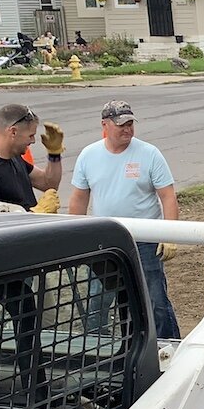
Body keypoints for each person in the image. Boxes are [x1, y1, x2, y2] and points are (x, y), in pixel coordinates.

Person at [66, 101, 181, 339]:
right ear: (105, 125)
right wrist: (73, 237)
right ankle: (100, 347)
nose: (127, 129)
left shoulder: (149, 154)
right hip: (105, 240)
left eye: (130, 124)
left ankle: (167, 343)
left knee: (154, 299)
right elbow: (78, 198)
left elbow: (167, 196)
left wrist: (170, 235)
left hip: (145, 240)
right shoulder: (89, 156)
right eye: (121, 125)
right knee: (98, 300)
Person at [0, 103, 63, 208]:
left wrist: (54, 153)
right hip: (23, 224)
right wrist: (34, 213)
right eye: (30, 135)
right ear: (13, 132)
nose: (33, 141)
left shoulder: (13, 157)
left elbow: (48, 183)